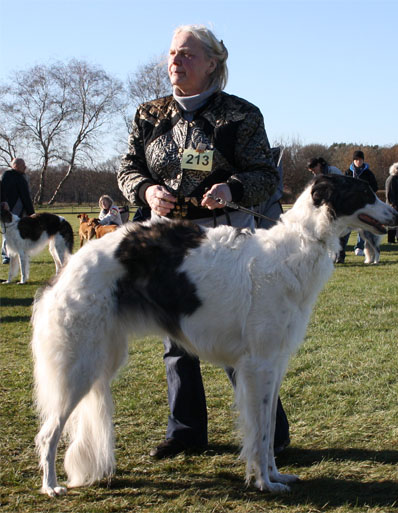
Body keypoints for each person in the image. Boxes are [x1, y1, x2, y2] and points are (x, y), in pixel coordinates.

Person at [117, 24, 290, 459]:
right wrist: (146, 191)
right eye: (172, 53)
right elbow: (128, 168)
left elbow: (265, 174)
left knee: (237, 336)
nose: (176, 60)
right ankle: (186, 432)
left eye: (188, 54)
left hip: (225, 240)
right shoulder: (148, 114)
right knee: (175, 336)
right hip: (167, 241)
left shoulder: (240, 114)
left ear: (213, 63)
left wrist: (232, 188)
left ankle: (269, 432)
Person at [339, 150, 378, 261]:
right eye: (356, 159)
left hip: (364, 204)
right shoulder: (348, 172)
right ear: (353, 161)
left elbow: (374, 187)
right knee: (347, 227)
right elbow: (343, 187)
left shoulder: (368, 173)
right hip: (350, 204)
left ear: (363, 160)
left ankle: (359, 247)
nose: (358, 162)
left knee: (363, 226)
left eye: (360, 160)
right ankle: (341, 250)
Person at [0, 158, 35, 264]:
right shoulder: (7, 175)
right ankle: (7, 255)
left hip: (22, 211)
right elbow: (3, 192)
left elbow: (26, 196)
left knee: (22, 233)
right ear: (16, 165)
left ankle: (22, 253)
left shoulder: (22, 177)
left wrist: (30, 212)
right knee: (8, 234)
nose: (25, 167)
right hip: (10, 210)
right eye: (23, 165)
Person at [385, 162, 398, 243]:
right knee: (392, 223)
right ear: (396, 170)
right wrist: (392, 204)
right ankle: (391, 240)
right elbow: (389, 193)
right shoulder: (391, 179)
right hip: (394, 206)